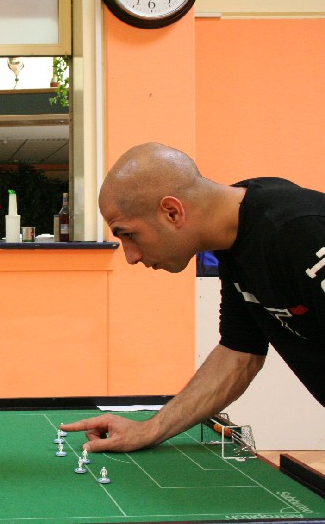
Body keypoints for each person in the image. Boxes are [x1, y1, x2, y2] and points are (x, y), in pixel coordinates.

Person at [61, 142, 325, 453]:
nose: (130, 257)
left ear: (172, 212)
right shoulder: (236, 240)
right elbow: (238, 355)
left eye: (128, 234)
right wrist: (149, 430)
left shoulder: (298, 231)